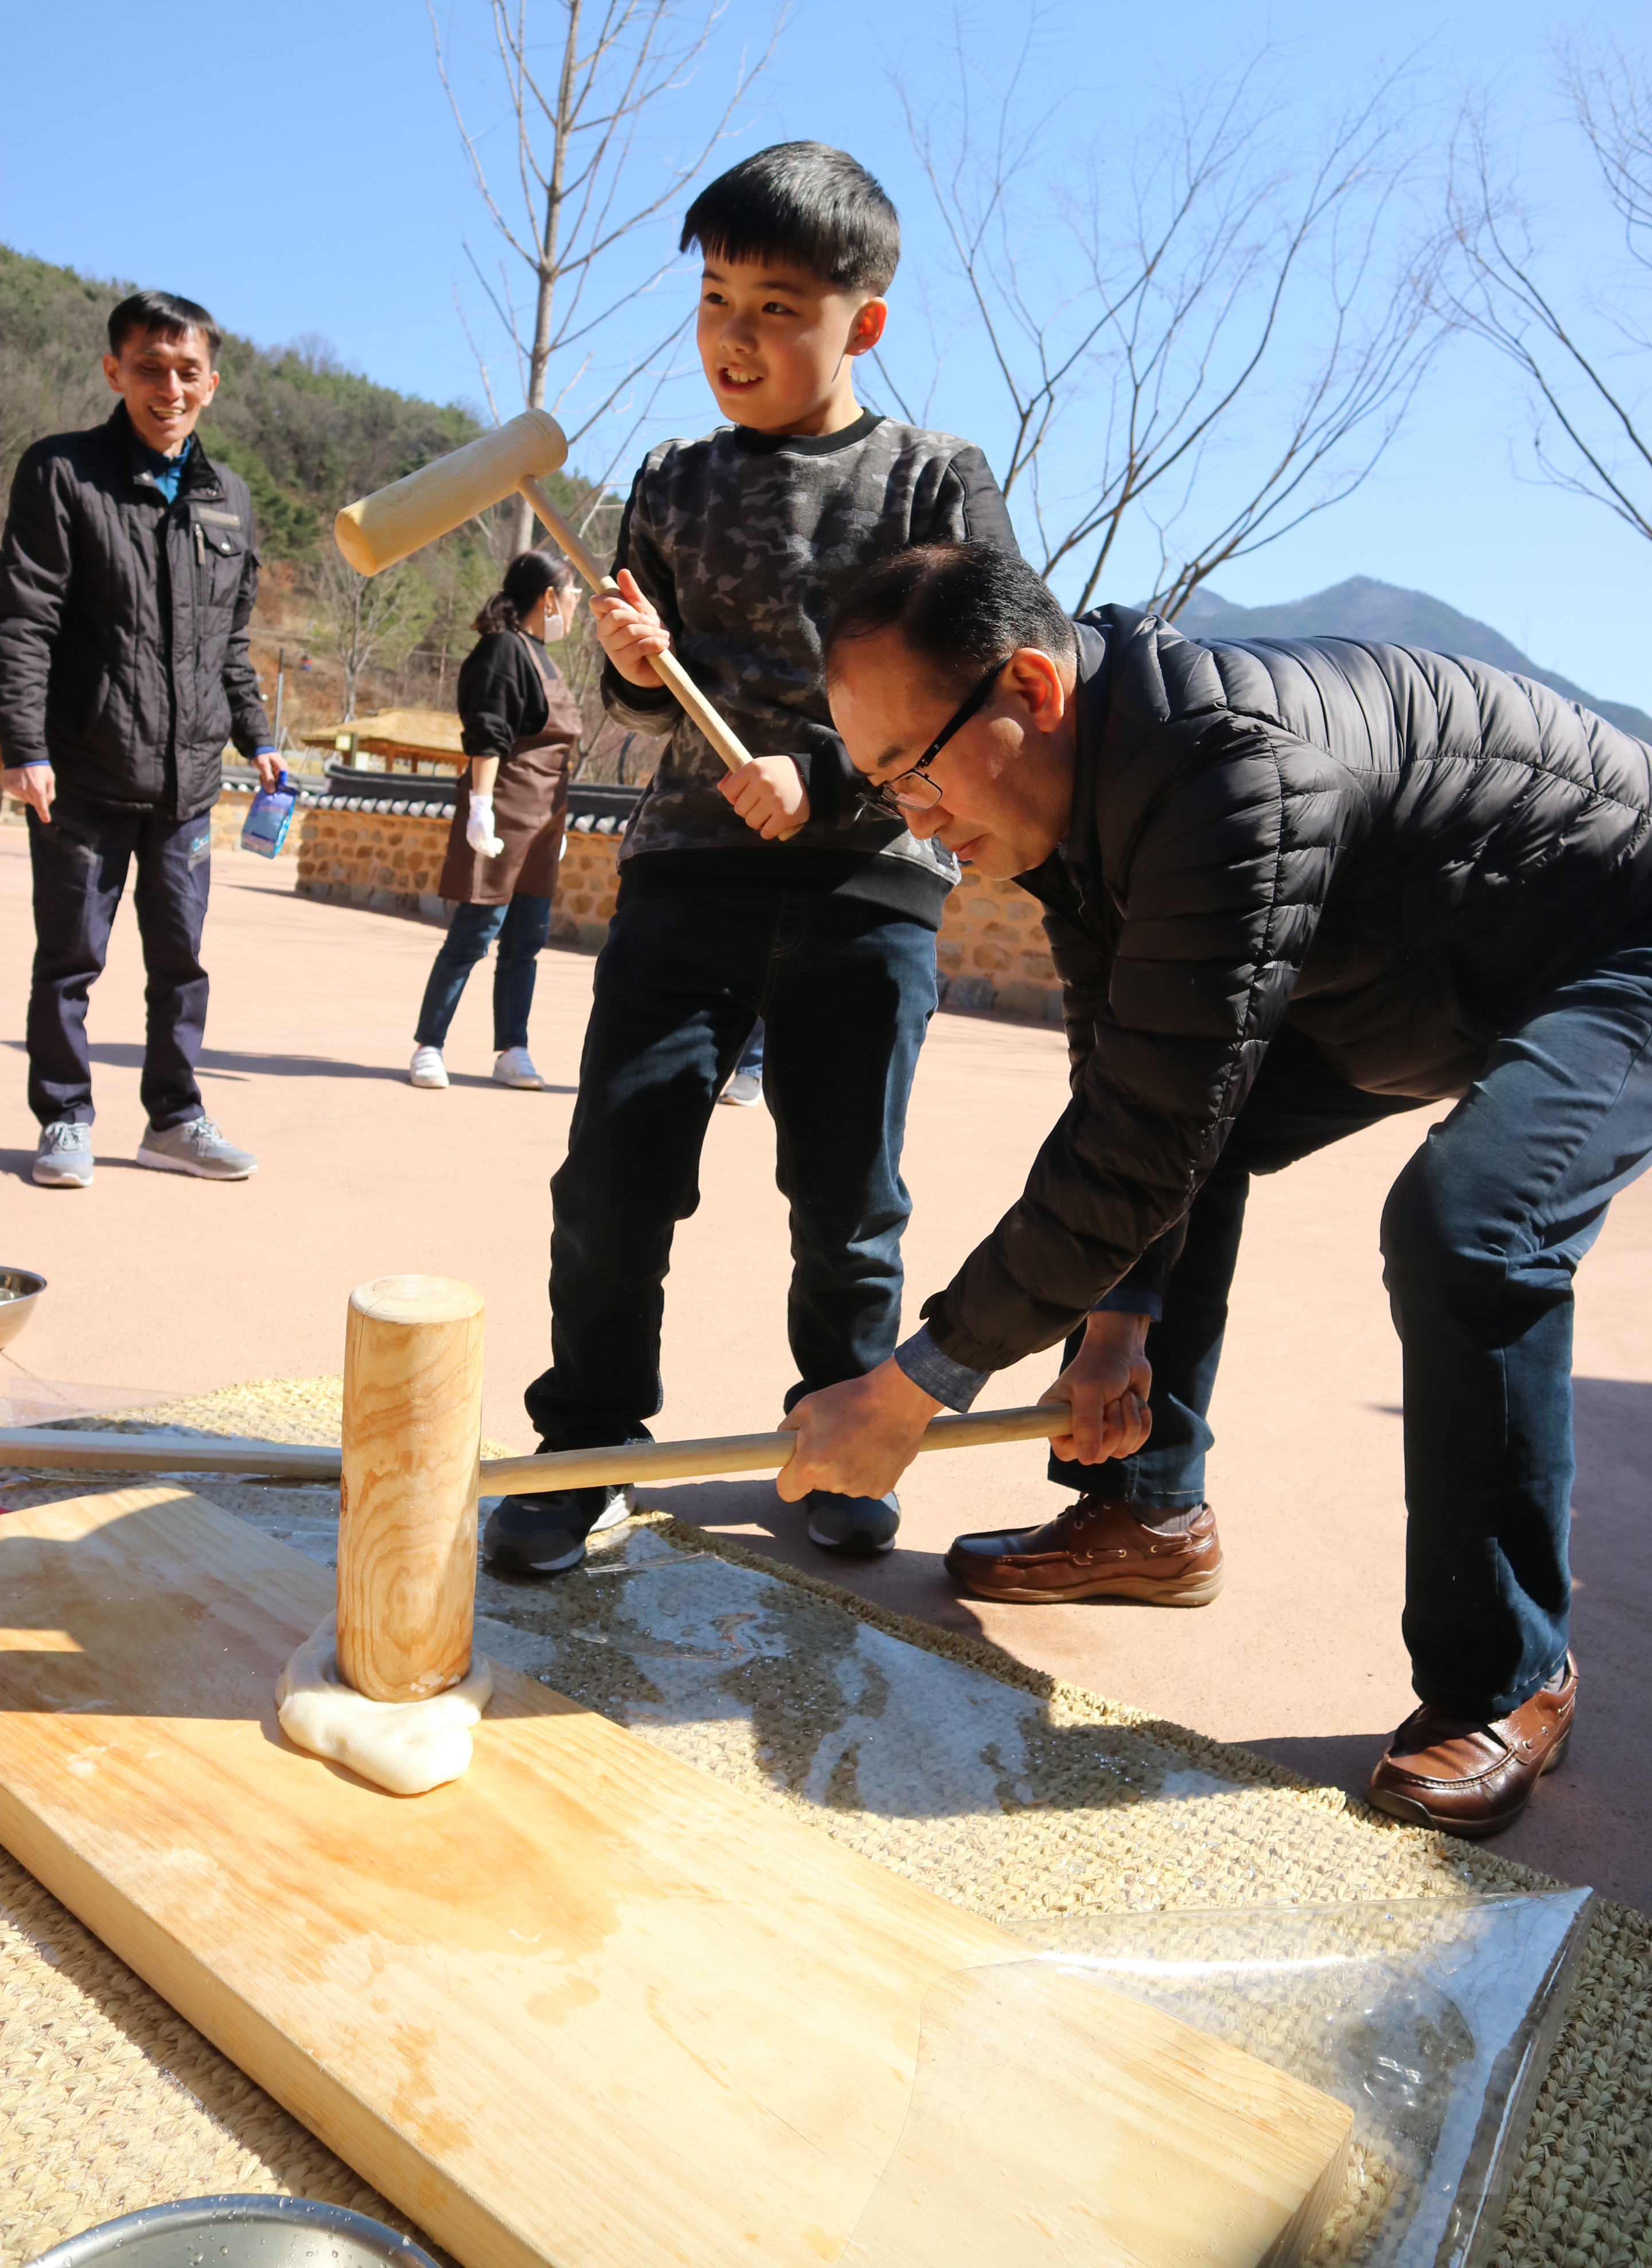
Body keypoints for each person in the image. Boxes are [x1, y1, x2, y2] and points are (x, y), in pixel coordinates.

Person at [778, 540, 1652, 1841]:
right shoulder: (1076, 803)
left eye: (915, 768)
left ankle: (1507, 1674)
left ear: (1031, 687)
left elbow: (1144, 1136)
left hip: (1616, 933)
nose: (914, 814)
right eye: (881, 785)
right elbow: (1127, 1084)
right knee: (1187, 1126)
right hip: (1428, 955)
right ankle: (1149, 1510)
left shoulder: (1233, 777)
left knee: (1470, 1229)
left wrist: (916, 1386)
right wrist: (1114, 1330)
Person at [482, 140, 1018, 1580]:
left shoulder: (934, 481)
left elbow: (985, 676)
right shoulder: (671, 479)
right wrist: (634, 665)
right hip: (686, 874)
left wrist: (829, 775)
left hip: (870, 888)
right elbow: (649, 710)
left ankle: (839, 1441)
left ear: (863, 321)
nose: (735, 334)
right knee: (615, 1174)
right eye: (716, 298)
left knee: (847, 1201)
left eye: (777, 307)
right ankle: (584, 1447)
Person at [0, 290, 279, 1188]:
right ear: (114, 371)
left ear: (213, 383)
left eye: (188, 371)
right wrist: (23, 745)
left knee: (181, 963)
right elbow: (25, 620)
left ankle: (176, 1118)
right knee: (70, 958)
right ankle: (65, 1117)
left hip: (188, 780)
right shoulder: (62, 472)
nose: (171, 388)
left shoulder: (228, 498)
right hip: (84, 768)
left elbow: (229, 643)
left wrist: (258, 736)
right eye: (150, 368)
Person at [410, 549, 583, 1092]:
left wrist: (556, 827)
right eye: (573, 594)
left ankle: (513, 1049)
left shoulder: (543, 655)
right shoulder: (505, 649)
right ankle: (429, 1045)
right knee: (474, 933)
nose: (577, 605)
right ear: (549, 598)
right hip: (505, 809)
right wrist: (480, 808)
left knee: (526, 941)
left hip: (544, 819)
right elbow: (489, 733)